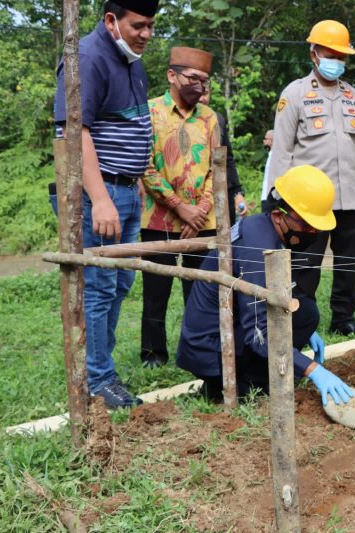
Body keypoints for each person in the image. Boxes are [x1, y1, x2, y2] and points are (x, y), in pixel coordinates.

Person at [52, 0, 158, 408]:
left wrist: (138, 182)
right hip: (101, 194)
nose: (146, 34)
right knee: (97, 287)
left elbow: (131, 123)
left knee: (119, 284)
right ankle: (99, 380)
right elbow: (74, 133)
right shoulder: (88, 57)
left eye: (151, 25)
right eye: (138, 25)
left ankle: (103, 367)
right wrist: (99, 198)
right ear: (111, 20)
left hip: (126, 190)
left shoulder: (132, 59)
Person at [177, 165, 354, 406]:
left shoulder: (265, 228)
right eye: (307, 226)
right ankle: (248, 382)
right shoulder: (258, 247)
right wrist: (312, 369)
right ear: (280, 215)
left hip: (224, 328)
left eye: (316, 228)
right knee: (299, 318)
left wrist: (306, 332)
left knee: (305, 314)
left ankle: (254, 376)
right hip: (210, 349)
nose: (312, 233)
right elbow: (258, 334)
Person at [267, 20, 355, 336]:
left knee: (348, 264)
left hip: (352, 197)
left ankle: (344, 318)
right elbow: (282, 151)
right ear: (314, 53)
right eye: (330, 54)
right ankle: (303, 320)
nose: (336, 61)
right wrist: (280, 198)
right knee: (305, 266)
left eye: (341, 56)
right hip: (309, 204)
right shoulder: (295, 94)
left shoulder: (354, 97)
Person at [139, 46, 219, 369]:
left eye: (204, 80)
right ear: (172, 76)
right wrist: (179, 208)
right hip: (159, 220)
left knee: (200, 293)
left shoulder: (210, 118)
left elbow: (218, 169)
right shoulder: (149, 112)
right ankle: (153, 355)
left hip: (203, 221)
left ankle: (196, 351)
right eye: (193, 78)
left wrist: (199, 210)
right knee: (155, 291)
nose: (199, 86)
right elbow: (145, 168)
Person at [199, 85, 248, 224]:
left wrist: (238, 194)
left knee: (226, 239)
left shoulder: (218, 120)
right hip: (196, 198)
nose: (202, 99)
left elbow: (227, 159)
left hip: (222, 194)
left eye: (206, 93)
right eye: (199, 94)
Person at [260, 129, 274, 202]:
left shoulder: (274, 156)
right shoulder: (271, 155)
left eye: (266, 139)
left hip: (269, 197)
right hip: (266, 196)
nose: (264, 141)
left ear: (271, 140)